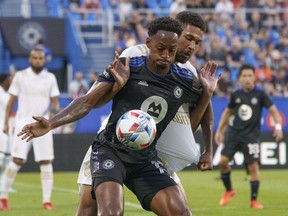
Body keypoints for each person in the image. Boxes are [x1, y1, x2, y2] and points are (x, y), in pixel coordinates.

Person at [18, 17, 219, 215]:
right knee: (106, 211)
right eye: (161, 48)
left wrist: (208, 145)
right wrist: (52, 123)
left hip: (145, 156)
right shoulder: (129, 62)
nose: (166, 55)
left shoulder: (185, 77)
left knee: (180, 211)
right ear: (149, 43)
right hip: (110, 149)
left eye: (171, 50)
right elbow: (88, 101)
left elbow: (205, 106)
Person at [75, 11, 216, 216]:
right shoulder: (134, 55)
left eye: (197, 42)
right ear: (174, 32)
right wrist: (114, 89)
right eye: (188, 38)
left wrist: (209, 149)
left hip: (151, 154)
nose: (192, 47)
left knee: (180, 210)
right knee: (91, 208)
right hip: (114, 142)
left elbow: (191, 123)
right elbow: (93, 99)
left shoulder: (189, 74)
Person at [214, 64, 283, 209]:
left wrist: (277, 127)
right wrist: (220, 130)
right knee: (223, 161)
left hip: (251, 136)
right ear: (239, 78)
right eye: (244, 76)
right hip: (234, 133)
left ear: (254, 78)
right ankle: (229, 190)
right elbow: (227, 113)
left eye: (250, 76)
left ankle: (253, 201)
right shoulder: (236, 94)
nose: (247, 79)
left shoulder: (261, 94)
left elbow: (274, 111)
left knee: (253, 167)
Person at [0, 49, 60, 211]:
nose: (38, 61)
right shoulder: (20, 76)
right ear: (30, 59)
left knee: (46, 161)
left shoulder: (50, 78)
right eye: (35, 58)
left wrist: (53, 114)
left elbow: (55, 102)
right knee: (16, 160)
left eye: (41, 58)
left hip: (43, 126)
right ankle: (3, 197)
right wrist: (6, 123)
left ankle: (47, 201)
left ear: (44, 60)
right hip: (23, 124)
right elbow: (11, 101)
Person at [0, 74, 12, 184]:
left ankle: (3, 184)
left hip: (6, 128)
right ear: (4, 81)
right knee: (1, 155)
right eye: (9, 79)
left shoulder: (7, 95)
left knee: (7, 157)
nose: (11, 82)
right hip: (1, 128)